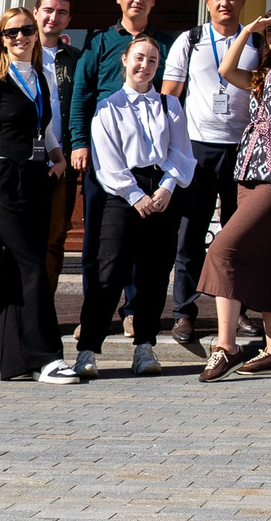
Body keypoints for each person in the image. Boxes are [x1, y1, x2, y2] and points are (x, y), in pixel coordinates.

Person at [67, 0, 184, 343]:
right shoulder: (100, 42)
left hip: (148, 157)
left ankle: (135, 313)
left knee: (148, 251)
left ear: (153, 0)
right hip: (105, 157)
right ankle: (94, 313)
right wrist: (78, 142)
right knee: (101, 248)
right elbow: (81, 94)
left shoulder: (164, 44)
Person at [199, 6, 271, 380]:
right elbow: (225, 71)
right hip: (248, 170)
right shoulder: (264, 72)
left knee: (222, 249)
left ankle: (226, 345)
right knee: (266, 260)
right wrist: (249, 29)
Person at [0, 8, 73, 383]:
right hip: (2, 177)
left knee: (10, 267)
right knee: (31, 265)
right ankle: (45, 357)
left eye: (26, 30)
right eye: (11, 33)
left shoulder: (42, 76)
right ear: (1, 39)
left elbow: (45, 126)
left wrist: (58, 156)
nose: (20, 38)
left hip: (36, 177)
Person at [80, 33, 196, 378]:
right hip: (123, 193)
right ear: (125, 61)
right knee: (110, 269)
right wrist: (135, 196)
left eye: (152, 61)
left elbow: (180, 151)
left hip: (161, 191)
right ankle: (88, 349)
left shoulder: (168, 104)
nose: (145, 66)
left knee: (154, 271)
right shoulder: (109, 106)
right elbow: (107, 159)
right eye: (139, 58)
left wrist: (166, 187)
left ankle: (144, 347)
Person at [161, 0, 250, 353]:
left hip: (244, 149)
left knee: (239, 237)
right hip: (197, 148)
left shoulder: (256, 41)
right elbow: (169, 95)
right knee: (190, 234)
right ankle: (184, 311)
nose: (224, 3)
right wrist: (169, 148)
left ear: (242, 1)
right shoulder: (191, 40)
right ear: (208, 2)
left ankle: (240, 311)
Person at [33, 0, 80, 300]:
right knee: (19, 237)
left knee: (54, 238)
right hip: (20, 160)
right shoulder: (15, 51)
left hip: (61, 160)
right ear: (35, 12)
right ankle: (18, 305)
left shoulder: (77, 59)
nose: (54, 17)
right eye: (48, 10)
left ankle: (43, 304)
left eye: (61, 12)